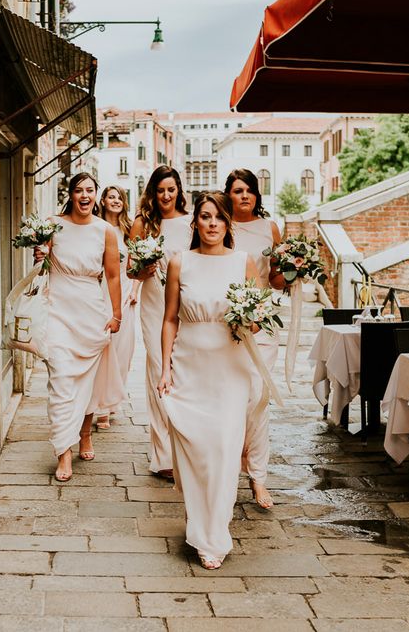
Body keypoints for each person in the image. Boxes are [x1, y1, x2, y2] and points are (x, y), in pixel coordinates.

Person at [158, 191, 261, 570]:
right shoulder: (179, 262)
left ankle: (213, 533)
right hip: (189, 365)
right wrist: (164, 367)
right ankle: (197, 517)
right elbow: (170, 318)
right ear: (195, 223)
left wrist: (253, 316)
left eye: (219, 217)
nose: (212, 223)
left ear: (227, 224)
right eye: (205, 216)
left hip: (230, 369)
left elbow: (255, 319)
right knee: (193, 447)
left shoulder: (243, 262)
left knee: (222, 448)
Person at [35, 172, 124, 482]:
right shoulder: (53, 224)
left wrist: (116, 314)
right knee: (60, 379)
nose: (84, 195)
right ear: (71, 195)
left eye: (90, 190)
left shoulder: (106, 231)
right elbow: (40, 264)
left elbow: (112, 275)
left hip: (91, 312)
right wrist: (39, 255)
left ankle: (85, 433)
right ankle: (64, 451)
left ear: (95, 195)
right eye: (79, 190)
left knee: (87, 380)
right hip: (58, 311)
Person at [225, 169, 286, 510]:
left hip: (263, 323)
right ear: (228, 195)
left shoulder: (270, 228)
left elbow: (276, 281)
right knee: (235, 400)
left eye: (249, 190)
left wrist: (293, 268)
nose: (244, 196)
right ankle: (231, 469)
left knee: (259, 400)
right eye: (237, 191)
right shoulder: (220, 226)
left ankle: (258, 477)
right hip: (230, 325)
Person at [128, 166, 192, 480]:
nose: (166, 196)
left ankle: (186, 449)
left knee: (184, 374)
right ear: (152, 192)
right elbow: (131, 271)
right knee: (158, 371)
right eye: (160, 190)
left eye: (171, 189)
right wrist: (144, 270)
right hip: (154, 304)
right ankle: (163, 455)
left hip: (186, 305)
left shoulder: (191, 222)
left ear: (179, 190)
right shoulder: (143, 223)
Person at [94, 185, 141, 430]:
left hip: (124, 293)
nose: (115, 201)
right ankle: (100, 407)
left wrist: (134, 291)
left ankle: (112, 401)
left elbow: (137, 265)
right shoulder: (95, 227)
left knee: (123, 352)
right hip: (99, 294)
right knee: (103, 350)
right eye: (111, 197)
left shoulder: (129, 230)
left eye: (119, 198)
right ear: (102, 200)